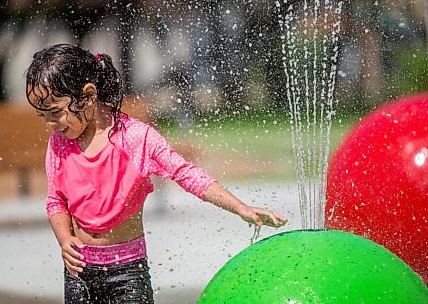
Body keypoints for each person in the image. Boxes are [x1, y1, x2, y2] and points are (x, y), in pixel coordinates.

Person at [26, 43, 287, 303]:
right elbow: (55, 200)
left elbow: (187, 174)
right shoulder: (59, 143)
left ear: (89, 95)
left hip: (127, 272)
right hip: (79, 272)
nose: (50, 124)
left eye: (56, 113)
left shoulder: (136, 138)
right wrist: (65, 239)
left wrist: (240, 207)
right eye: (42, 116)